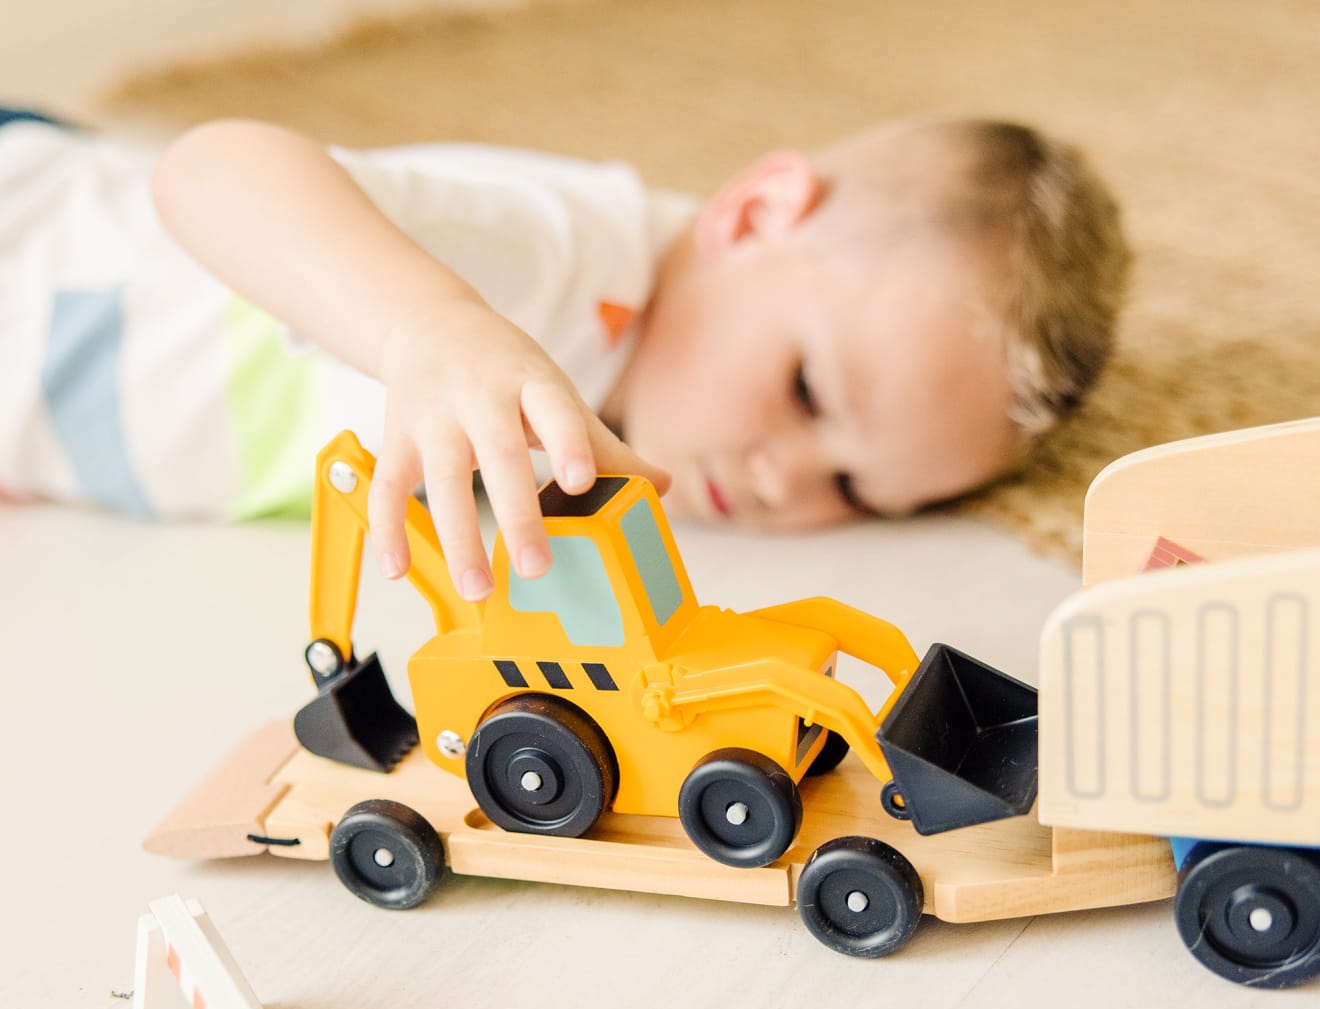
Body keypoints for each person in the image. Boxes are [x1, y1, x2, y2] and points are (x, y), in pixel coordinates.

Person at [0, 111, 1129, 601]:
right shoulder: (546, 247)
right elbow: (211, 170)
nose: (788, 477)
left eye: (858, 490)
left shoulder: (624, 437)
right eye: (806, 392)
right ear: (750, 214)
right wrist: (432, 326)